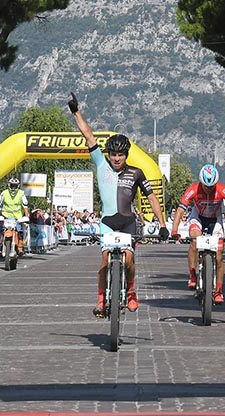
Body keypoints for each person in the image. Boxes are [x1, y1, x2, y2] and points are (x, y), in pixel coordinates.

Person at [68, 91, 168, 316]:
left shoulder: (137, 172)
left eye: (120, 155)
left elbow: (151, 198)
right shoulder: (101, 165)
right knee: (104, 260)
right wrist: (76, 112)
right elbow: (89, 136)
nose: (116, 158)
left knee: (130, 258)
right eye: (113, 154)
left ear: (126, 155)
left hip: (128, 223)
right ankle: (101, 300)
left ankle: (131, 292)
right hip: (107, 222)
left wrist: (162, 225)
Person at [170, 163, 225, 304]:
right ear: (201, 182)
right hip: (197, 217)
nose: (209, 189)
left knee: (220, 254)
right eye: (206, 186)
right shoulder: (193, 189)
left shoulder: (223, 189)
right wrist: (174, 231)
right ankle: (192, 276)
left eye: (212, 186)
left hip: (215, 219)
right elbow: (180, 211)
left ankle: (218, 292)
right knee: (194, 241)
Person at [0, 176, 29, 255]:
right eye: (12, 185)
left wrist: (26, 216)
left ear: (18, 186)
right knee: (2, 231)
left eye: (15, 186)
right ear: (9, 185)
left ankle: (20, 248)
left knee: (20, 231)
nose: (13, 187)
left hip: (17, 218)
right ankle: (0, 246)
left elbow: (25, 206)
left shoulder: (21, 194)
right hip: (6, 217)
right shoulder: (4, 193)